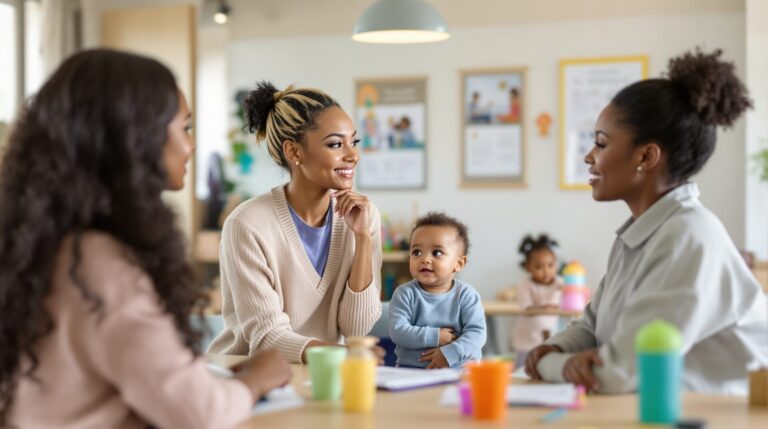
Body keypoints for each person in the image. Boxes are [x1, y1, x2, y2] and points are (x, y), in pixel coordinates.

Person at [0, 49, 291, 428]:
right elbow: (200, 415)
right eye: (184, 128)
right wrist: (258, 378)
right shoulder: (99, 264)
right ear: (137, 137)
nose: (192, 145)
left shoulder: (43, 242)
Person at [525, 48, 768, 394]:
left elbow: (619, 374)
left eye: (601, 143)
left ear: (646, 156)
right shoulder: (640, 234)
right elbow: (594, 325)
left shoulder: (688, 236)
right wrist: (556, 348)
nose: (589, 156)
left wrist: (548, 365)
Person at [208, 81, 383, 364]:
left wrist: (363, 239)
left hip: (321, 376)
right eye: (336, 144)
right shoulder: (247, 224)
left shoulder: (363, 215)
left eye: (354, 141)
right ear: (294, 152)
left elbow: (356, 329)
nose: (352, 155)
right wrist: (347, 355)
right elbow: (267, 339)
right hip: (244, 378)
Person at [389, 212, 486, 369]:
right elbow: (398, 332)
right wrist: (435, 336)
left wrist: (449, 354)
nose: (425, 259)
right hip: (412, 373)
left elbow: (477, 335)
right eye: (417, 252)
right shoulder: (404, 294)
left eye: (437, 253)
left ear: (459, 263)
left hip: (460, 370)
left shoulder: (467, 295)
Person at [512, 234, 563, 368]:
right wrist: (546, 308)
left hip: (551, 337)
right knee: (523, 370)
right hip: (527, 341)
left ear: (556, 264)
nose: (546, 271)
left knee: (547, 368)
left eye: (550, 265)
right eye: (539, 267)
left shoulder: (559, 283)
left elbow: (570, 298)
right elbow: (526, 309)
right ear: (528, 267)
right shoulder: (526, 285)